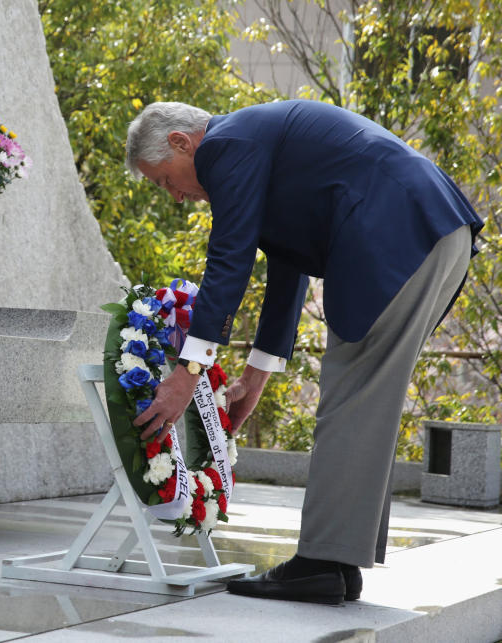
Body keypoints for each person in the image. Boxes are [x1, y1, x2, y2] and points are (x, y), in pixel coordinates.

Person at [125, 99, 483, 605]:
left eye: (165, 180)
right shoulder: (252, 146)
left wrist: (186, 372)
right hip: (431, 228)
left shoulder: (227, 145)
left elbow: (231, 257)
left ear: (183, 143)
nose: (176, 197)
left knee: (351, 395)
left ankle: (319, 564)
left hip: (400, 230)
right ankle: (337, 564)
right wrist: (258, 373)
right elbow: (287, 263)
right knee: (365, 399)